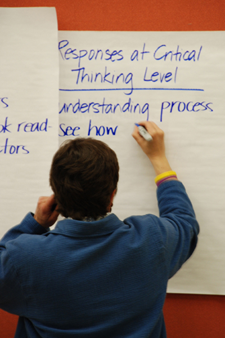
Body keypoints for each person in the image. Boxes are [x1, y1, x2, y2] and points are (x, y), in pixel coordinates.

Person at [0, 121, 199, 338]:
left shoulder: (25, 258)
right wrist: (158, 157)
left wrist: (34, 224)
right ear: (112, 195)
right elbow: (184, 221)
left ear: (56, 195)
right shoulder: (153, 240)